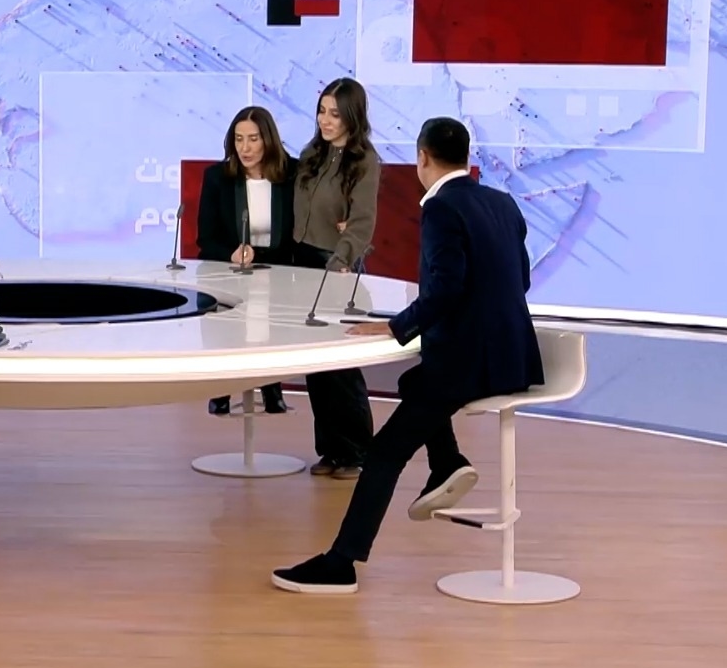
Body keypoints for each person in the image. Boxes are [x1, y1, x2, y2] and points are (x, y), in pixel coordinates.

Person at [272, 117, 544, 594]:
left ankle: (341, 564)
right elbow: (519, 280)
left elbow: (446, 288)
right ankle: (447, 463)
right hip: (515, 359)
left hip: (468, 365)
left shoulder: (441, 208)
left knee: (383, 453)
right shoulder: (502, 202)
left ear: (422, 157)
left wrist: (396, 326)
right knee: (413, 383)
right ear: (466, 156)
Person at [292, 78, 380, 480]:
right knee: (316, 364)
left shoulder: (364, 162)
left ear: (352, 117)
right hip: (302, 263)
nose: (325, 120)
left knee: (341, 366)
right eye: (321, 111)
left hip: (337, 266)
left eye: (335, 114)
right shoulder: (312, 154)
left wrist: (342, 257)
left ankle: (357, 452)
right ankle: (330, 450)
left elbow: (362, 222)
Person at [196, 105, 297, 416]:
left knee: (270, 316)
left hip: (278, 269)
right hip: (232, 270)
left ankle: (271, 385)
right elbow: (206, 239)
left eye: (253, 139)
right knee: (233, 319)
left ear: (268, 140)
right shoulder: (218, 177)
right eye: (239, 139)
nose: (245, 148)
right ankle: (222, 387)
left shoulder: (292, 174)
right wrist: (232, 252)